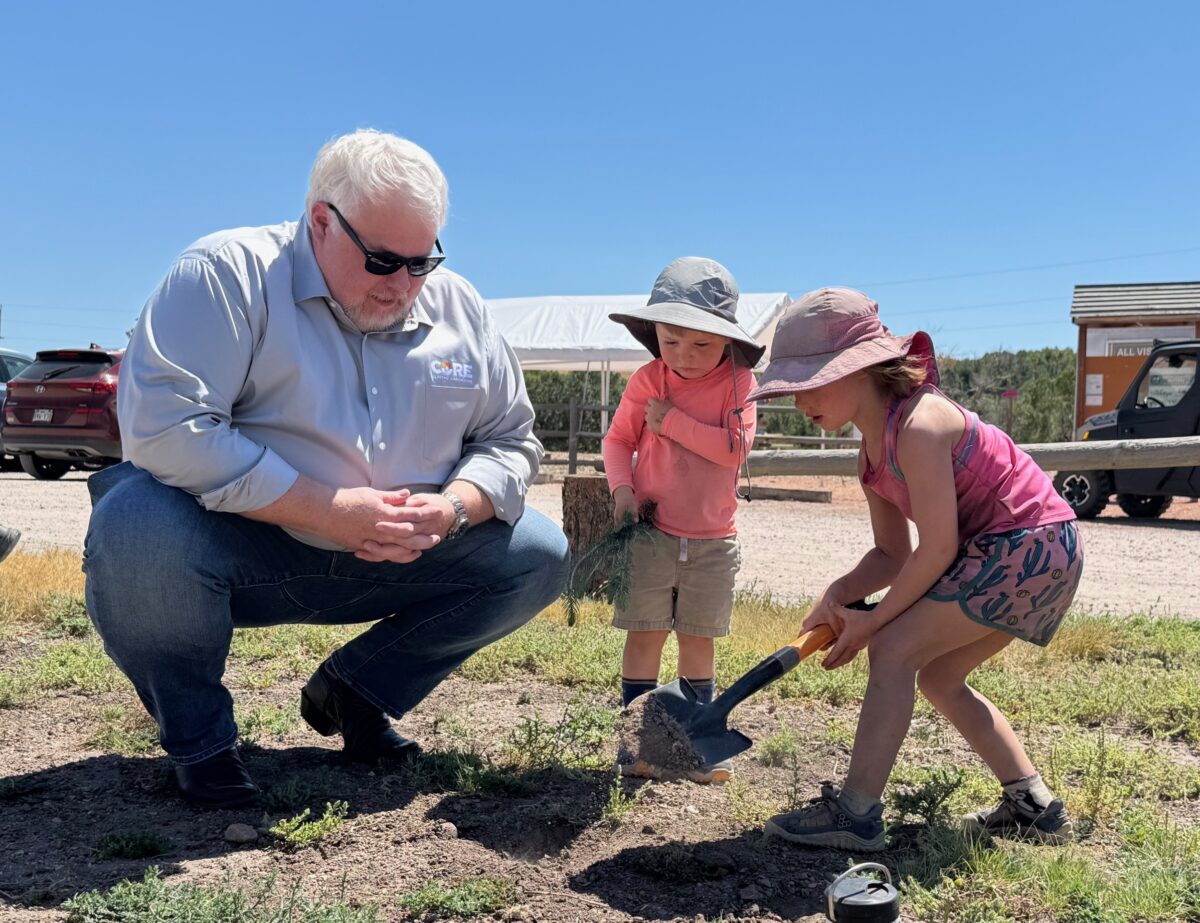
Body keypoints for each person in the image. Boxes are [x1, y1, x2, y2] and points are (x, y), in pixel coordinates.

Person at [83, 129, 570, 809]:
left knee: (537, 553)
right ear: (321, 220)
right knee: (134, 522)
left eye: (421, 261)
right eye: (381, 260)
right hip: (245, 547)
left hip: (403, 552)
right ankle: (200, 741)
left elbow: (511, 440)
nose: (404, 284)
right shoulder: (226, 274)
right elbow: (168, 430)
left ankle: (357, 692)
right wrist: (327, 508)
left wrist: (457, 506)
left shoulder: (460, 306)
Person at [749, 287, 1083, 850]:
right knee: (937, 675)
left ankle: (855, 814)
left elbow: (937, 549)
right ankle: (1032, 804)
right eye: (792, 386)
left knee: (895, 648)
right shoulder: (871, 454)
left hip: (1026, 547)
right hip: (1033, 552)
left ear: (860, 368)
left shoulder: (920, 426)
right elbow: (892, 555)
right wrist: (841, 592)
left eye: (809, 381)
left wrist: (873, 623)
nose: (799, 400)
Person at [602, 257, 763, 783]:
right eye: (672, 342)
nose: (684, 356)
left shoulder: (740, 384)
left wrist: (672, 423)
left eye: (700, 345)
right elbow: (618, 439)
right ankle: (638, 746)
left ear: (727, 340)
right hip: (651, 533)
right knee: (645, 635)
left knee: (698, 639)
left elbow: (735, 449)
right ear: (655, 334)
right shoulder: (648, 379)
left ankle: (691, 747)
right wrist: (623, 491)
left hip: (713, 539)